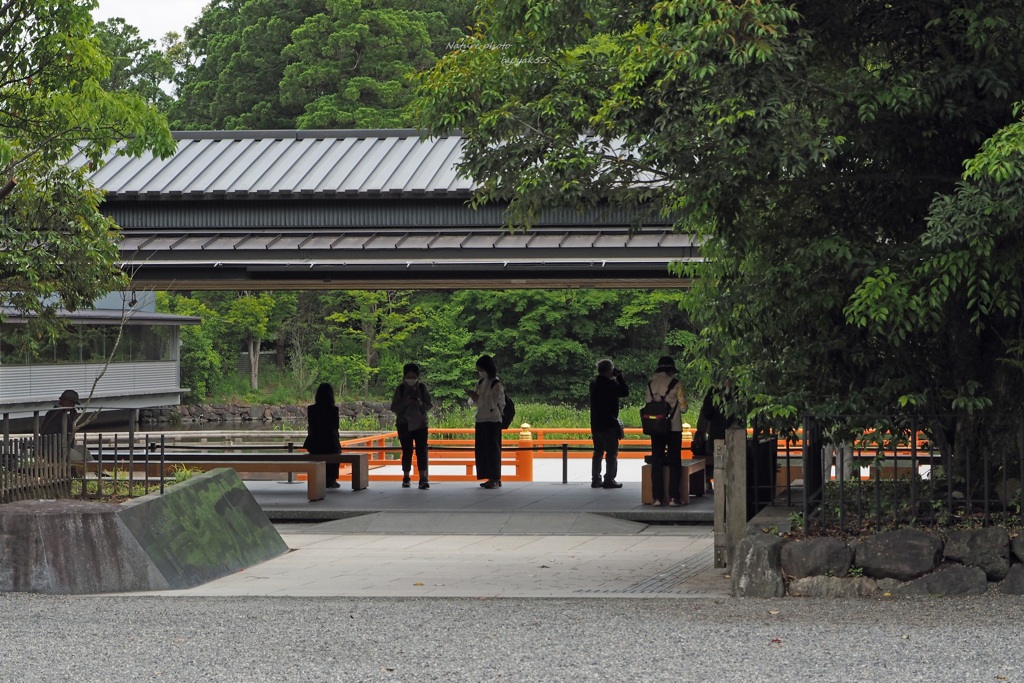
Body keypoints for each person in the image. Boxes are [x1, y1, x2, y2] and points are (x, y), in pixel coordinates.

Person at [645, 356, 688, 506]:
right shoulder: (676, 384)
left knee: (656, 461)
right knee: (674, 460)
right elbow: (683, 408)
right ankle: (673, 497)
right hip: (673, 427)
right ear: (671, 370)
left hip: (655, 428)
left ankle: (657, 498)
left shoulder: (650, 384)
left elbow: (648, 404)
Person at [464, 354, 505, 489]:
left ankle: (496, 478)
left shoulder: (496, 384)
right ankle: (488, 477)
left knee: (493, 450)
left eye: (481, 369)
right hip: (481, 419)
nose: (480, 372)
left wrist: (477, 397)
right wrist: (473, 397)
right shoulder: (480, 382)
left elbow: (492, 403)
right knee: (482, 450)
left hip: (493, 420)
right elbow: (473, 403)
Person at [390, 362, 432, 489]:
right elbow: (394, 408)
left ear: (418, 376)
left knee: (422, 451)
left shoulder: (422, 388)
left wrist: (419, 404)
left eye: (413, 376)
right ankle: (406, 476)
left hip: (421, 424)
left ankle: (423, 478)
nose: (411, 379)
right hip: (404, 424)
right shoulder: (400, 389)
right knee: (407, 451)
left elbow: (429, 405)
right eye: (408, 376)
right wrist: (405, 403)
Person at [589, 359, 629, 489]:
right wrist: (620, 378)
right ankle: (609, 479)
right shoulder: (610, 384)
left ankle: (596, 479)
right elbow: (625, 392)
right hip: (608, 423)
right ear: (610, 370)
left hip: (595, 423)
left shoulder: (593, 383)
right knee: (611, 452)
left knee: (598, 452)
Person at [695, 379, 737, 494]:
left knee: (718, 461)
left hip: (717, 433)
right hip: (735, 434)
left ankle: (718, 487)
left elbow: (706, 413)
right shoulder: (737, 392)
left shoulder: (713, 392)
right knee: (732, 461)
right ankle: (731, 486)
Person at [303, 382, 342, 489]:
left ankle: (318, 478)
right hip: (331, 444)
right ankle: (331, 479)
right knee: (336, 451)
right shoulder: (333, 410)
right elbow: (335, 427)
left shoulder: (312, 409)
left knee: (324, 451)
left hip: (315, 445)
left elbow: (311, 426)